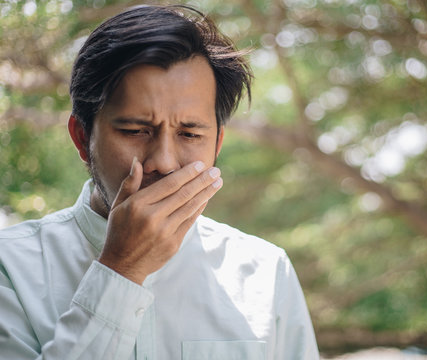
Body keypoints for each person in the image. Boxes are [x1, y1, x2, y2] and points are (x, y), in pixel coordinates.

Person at [0, 5, 319, 359]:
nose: (164, 162)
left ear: (217, 144)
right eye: (136, 131)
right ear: (81, 139)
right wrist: (120, 270)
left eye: (190, 133)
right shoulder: (10, 268)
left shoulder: (265, 273)